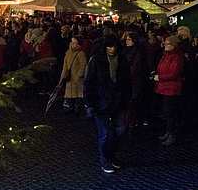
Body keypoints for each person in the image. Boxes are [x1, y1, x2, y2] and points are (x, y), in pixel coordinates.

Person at [83, 36, 132, 173]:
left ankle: (110, 155)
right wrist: (89, 102)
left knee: (120, 130)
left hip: (118, 101)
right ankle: (106, 159)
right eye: (110, 46)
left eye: (114, 46)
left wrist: (127, 98)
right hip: (101, 102)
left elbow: (127, 81)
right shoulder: (97, 60)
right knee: (105, 132)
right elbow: (89, 81)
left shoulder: (122, 60)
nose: (112, 49)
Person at [154, 34, 184, 146]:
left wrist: (160, 77)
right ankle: (169, 132)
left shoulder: (176, 57)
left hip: (171, 88)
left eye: (168, 43)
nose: (165, 45)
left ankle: (172, 134)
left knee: (170, 111)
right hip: (164, 87)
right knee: (167, 111)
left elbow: (174, 73)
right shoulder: (166, 55)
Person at [121, 31, 146, 132]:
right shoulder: (124, 50)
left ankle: (132, 122)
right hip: (126, 80)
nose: (127, 41)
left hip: (134, 81)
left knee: (133, 102)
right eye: (126, 39)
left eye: (129, 39)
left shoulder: (138, 52)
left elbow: (135, 67)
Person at [60, 36, 88, 115]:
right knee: (70, 94)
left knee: (78, 94)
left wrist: (79, 74)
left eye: (74, 43)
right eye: (71, 42)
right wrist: (63, 75)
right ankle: (70, 108)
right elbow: (65, 65)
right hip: (69, 78)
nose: (72, 44)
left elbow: (83, 65)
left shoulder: (81, 54)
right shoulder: (68, 53)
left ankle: (77, 109)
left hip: (77, 78)